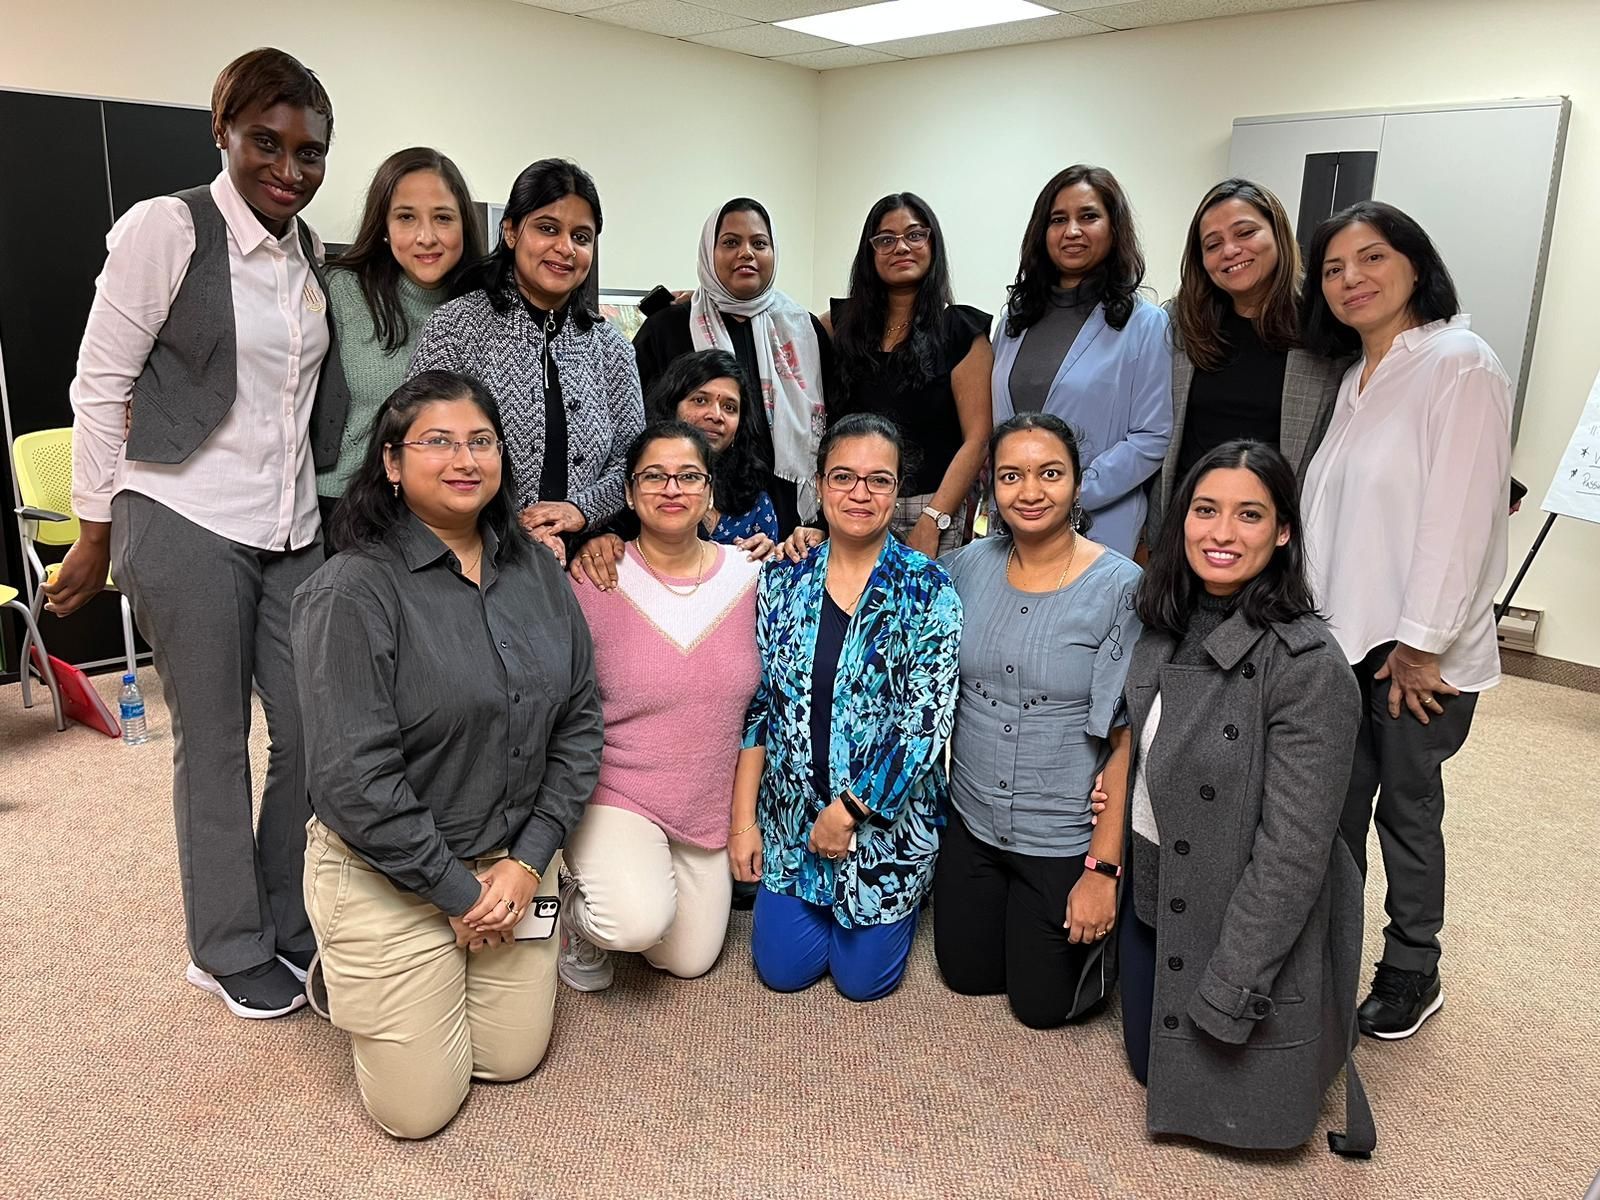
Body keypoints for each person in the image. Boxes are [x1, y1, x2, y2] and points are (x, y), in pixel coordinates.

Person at [47, 48, 347, 1018]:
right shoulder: (167, 228)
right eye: (268, 142)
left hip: (288, 525)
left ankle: (282, 913)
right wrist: (93, 530)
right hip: (182, 512)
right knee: (214, 739)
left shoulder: (309, 258)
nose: (289, 170)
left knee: (308, 731)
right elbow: (99, 380)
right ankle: (222, 945)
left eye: (310, 153)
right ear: (222, 130)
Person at [292, 370, 602, 1139]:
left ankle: (425, 969)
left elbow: (580, 720)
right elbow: (353, 781)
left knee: (510, 1059)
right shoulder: (351, 593)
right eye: (437, 442)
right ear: (392, 464)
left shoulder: (536, 568)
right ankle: (346, 959)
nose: (464, 458)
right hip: (388, 870)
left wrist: (527, 862)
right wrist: (454, 892)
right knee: (418, 1112)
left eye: (481, 441)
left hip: (509, 862)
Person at [1120, 439, 1372, 1155]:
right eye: (1205, 510)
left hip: (1235, 908)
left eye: (1249, 515)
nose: (1221, 534)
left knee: (1220, 1086)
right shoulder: (1162, 618)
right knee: (1146, 1059)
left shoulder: (1309, 668)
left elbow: (1294, 854)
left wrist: (1233, 986)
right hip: (1156, 891)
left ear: (1284, 530)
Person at [1300, 201, 1512, 1041]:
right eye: (1333, 269)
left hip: (1413, 653)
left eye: (1372, 258)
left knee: (1408, 811)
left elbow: (1463, 518)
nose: (1352, 280)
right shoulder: (1354, 376)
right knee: (1335, 806)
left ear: (1415, 266)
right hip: (1343, 638)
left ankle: (1412, 969)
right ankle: (1328, 956)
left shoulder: (1460, 363)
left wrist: (1422, 645)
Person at [730, 412, 962, 1002]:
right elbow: (759, 707)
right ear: (819, 484)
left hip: (883, 826)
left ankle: (896, 903)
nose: (860, 493)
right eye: (843, 477)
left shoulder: (928, 587)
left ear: (897, 490)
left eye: (879, 480)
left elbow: (924, 724)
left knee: (863, 984)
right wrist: (744, 821)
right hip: (794, 822)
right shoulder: (782, 580)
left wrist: (851, 811)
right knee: (781, 972)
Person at [934, 413, 1141, 1029]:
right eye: (1010, 476)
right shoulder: (967, 567)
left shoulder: (1120, 585)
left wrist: (1102, 871)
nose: (1030, 492)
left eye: (1050, 473)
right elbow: (884, 585)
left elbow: (1127, 738)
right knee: (966, 975)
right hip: (973, 817)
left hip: (1063, 829)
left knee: (1041, 1007)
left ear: (1078, 484)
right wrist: (806, 543)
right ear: (991, 489)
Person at [558, 421, 762, 992]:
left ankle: (635, 879)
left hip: (704, 804)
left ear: (710, 492)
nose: (672, 489)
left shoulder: (750, 577)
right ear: (628, 493)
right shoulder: (594, 576)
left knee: (689, 958)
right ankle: (574, 913)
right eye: (654, 477)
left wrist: (810, 539)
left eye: (689, 476)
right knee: (634, 923)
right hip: (617, 790)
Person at [408, 158, 643, 563]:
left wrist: (581, 512)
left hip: (583, 564)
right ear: (512, 231)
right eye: (548, 228)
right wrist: (514, 531)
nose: (566, 248)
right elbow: (425, 449)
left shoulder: (612, 347)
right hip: (468, 559)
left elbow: (634, 461)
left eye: (581, 237)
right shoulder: (456, 327)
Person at [1149, 178, 1347, 540]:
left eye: (1245, 233)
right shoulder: (1181, 323)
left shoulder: (1326, 326)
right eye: (1213, 244)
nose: (1230, 250)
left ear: (1278, 234)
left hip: (1277, 539)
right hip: (1187, 534)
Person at [991, 165, 1172, 558]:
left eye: (1088, 216)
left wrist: (1070, 492)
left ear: (1114, 227)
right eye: (1058, 220)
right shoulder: (1012, 323)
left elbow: (1151, 436)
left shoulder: (1146, 324)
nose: (1072, 231)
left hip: (1097, 525)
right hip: (1013, 525)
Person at [631, 197, 832, 534]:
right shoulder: (668, 327)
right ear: (709, 252)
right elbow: (635, 425)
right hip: (689, 516)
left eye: (759, 243)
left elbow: (833, 425)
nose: (746, 253)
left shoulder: (803, 330)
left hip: (793, 520)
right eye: (730, 242)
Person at [315, 147, 484, 535]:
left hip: (444, 514)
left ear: (464, 225)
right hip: (341, 507)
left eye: (443, 218)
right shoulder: (341, 291)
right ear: (385, 227)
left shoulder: (484, 309)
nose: (426, 237)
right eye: (406, 217)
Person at [827, 192, 992, 557]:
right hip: (854, 502)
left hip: (931, 507)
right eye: (886, 239)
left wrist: (934, 519)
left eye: (915, 235)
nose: (901, 247)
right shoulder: (838, 326)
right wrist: (699, 299)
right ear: (869, 253)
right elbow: (779, 322)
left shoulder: (961, 331)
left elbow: (978, 438)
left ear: (932, 243)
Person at [569, 348, 778, 589]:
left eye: (730, 407)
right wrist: (597, 544)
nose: (716, 415)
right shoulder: (639, 489)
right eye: (701, 400)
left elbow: (766, 590)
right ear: (671, 407)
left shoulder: (755, 504)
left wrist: (770, 559)